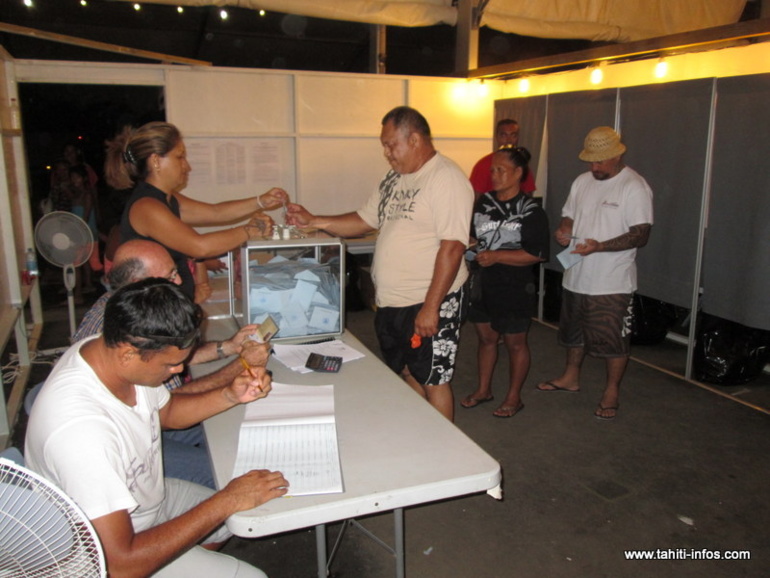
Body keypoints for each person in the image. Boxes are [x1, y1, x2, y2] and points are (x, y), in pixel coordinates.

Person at [26, 278, 288, 578]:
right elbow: (120, 564)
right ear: (127, 354)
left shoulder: (109, 352)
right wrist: (227, 498)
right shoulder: (81, 435)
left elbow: (168, 412)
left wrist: (230, 394)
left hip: (146, 501)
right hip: (102, 557)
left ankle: (182, 556)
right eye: (170, 365)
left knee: (237, 515)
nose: (178, 370)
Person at [287, 106, 472, 421]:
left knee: (434, 379)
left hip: (429, 300)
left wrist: (431, 307)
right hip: (393, 302)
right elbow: (363, 220)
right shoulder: (394, 179)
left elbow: (452, 248)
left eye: (390, 145)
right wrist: (314, 219)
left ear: (414, 139)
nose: (386, 153)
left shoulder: (446, 178)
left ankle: (445, 449)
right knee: (408, 372)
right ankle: (425, 434)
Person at [72, 239, 270, 489]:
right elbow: (168, 402)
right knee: (226, 470)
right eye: (171, 275)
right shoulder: (118, 336)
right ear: (140, 285)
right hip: (142, 437)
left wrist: (228, 347)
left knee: (248, 424)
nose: (178, 281)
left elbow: (165, 359)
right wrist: (240, 366)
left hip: (158, 418)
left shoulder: (129, 312)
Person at [537, 126, 653, 420]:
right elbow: (570, 214)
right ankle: (570, 377)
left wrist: (599, 246)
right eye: (590, 161)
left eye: (600, 161)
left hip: (612, 281)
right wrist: (565, 229)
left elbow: (640, 235)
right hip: (577, 274)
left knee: (614, 340)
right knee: (573, 333)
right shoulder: (582, 181)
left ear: (617, 155)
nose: (594, 167)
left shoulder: (634, 186)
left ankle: (611, 390)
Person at [104, 121, 288, 303]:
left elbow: (215, 212)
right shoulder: (147, 207)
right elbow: (200, 247)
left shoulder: (167, 198)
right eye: (180, 157)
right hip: (154, 306)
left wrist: (260, 201)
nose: (187, 166)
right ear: (155, 161)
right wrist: (249, 230)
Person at [461, 146, 550, 418]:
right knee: (486, 339)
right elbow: (473, 237)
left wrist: (497, 255)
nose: (495, 175)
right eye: (493, 170)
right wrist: (470, 245)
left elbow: (536, 254)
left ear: (518, 173)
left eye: (501, 170)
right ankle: (484, 389)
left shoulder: (531, 210)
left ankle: (514, 396)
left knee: (515, 343)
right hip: (483, 282)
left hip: (514, 285)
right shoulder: (483, 203)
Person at [469, 118, 537, 198]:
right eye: (504, 135)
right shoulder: (483, 164)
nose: (509, 140)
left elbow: (528, 194)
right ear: (497, 137)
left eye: (513, 135)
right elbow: (475, 197)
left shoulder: (521, 163)